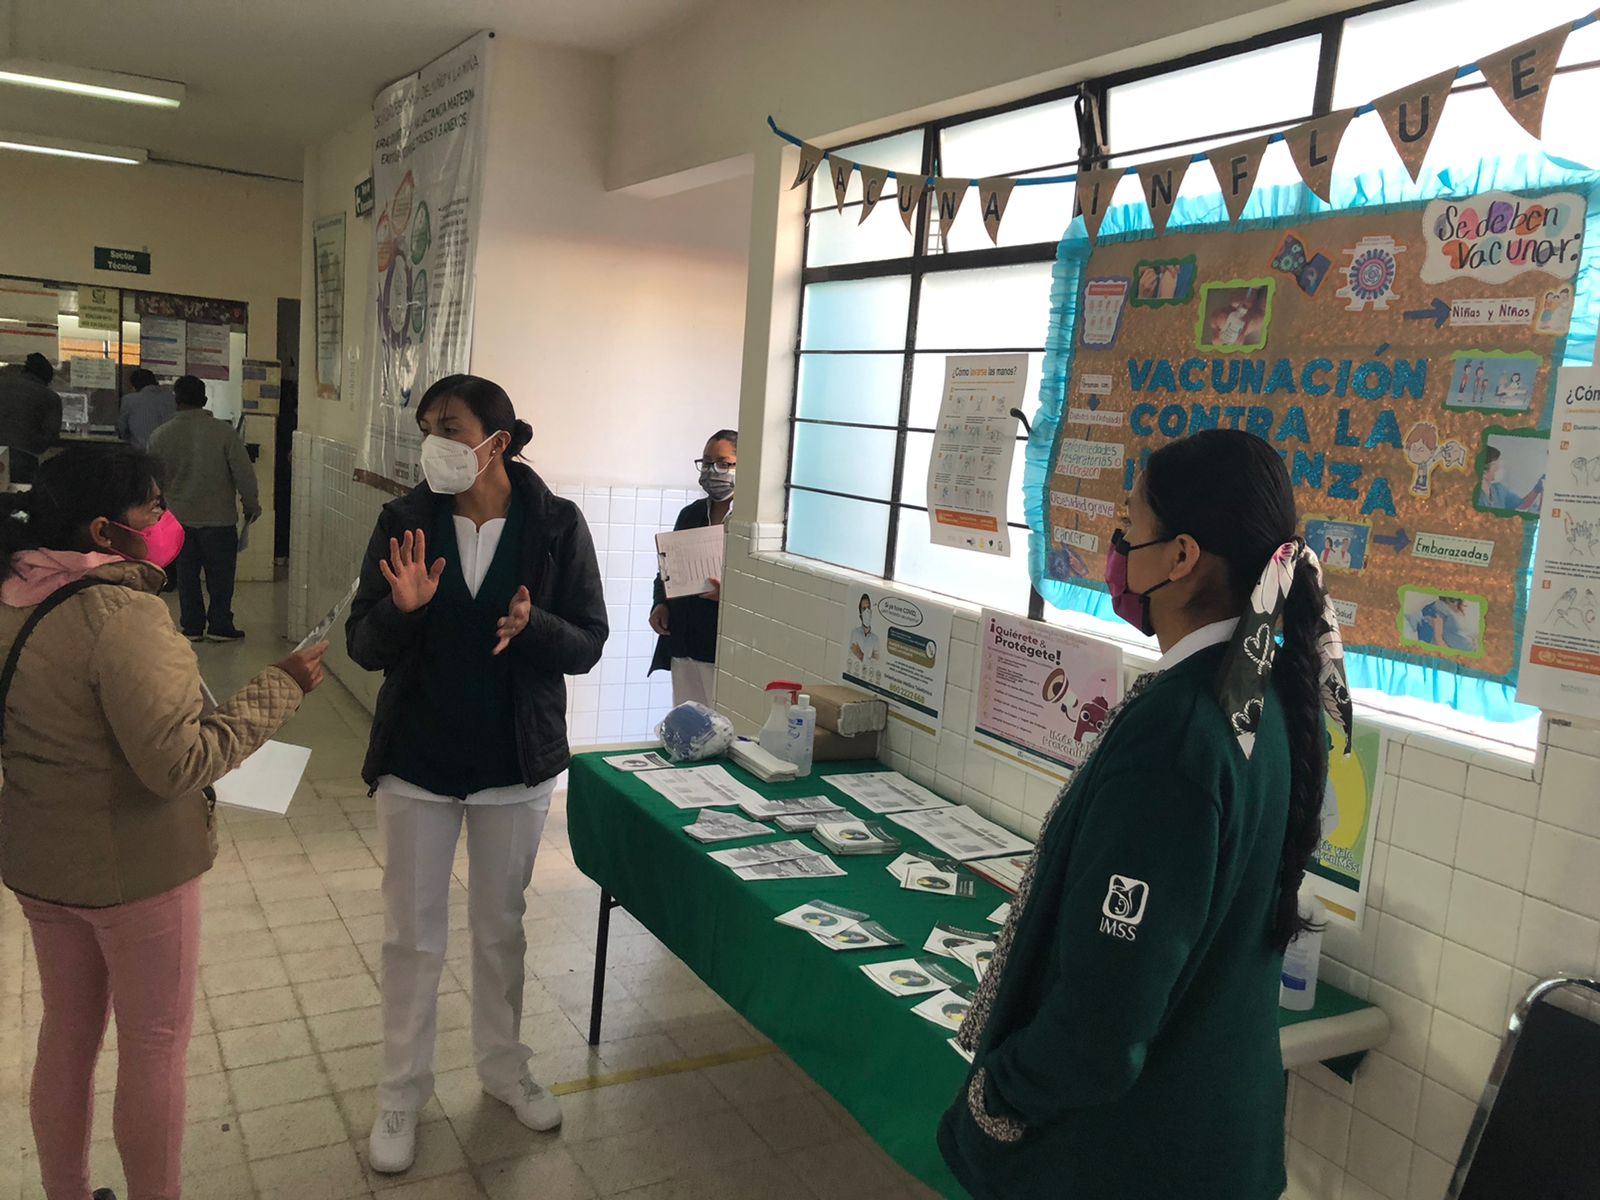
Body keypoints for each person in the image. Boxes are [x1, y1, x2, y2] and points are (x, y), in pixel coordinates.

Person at [939, 429, 1353, 1200]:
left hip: (1133, 1155)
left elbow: (1101, 1026)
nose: (1118, 545)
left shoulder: (1183, 733)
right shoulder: (1265, 697)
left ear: (1183, 557)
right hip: (1214, 1140)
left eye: (1130, 525)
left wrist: (996, 1098)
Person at [0, 445, 327, 1200]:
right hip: (135, 871)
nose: (166, 519)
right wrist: (278, 690)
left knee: (67, 1032)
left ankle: (66, 1191)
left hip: (39, 862)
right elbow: (179, 764)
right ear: (106, 532)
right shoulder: (123, 616)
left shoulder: (14, 592)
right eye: (152, 506)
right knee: (153, 1048)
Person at [346, 374, 607, 1175]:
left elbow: (589, 641)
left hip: (512, 763)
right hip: (419, 761)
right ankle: (402, 1090)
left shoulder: (556, 525)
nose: (432, 442)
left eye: (448, 426)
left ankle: (504, 1070)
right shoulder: (403, 521)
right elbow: (364, 643)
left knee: (500, 931)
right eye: (426, 425)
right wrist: (405, 609)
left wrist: (535, 627)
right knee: (410, 938)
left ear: (497, 440)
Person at [147, 375, 260, 642]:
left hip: (179, 520)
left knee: (187, 576)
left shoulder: (160, 436)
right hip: (219, 519)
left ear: (177, 400)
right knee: (221, 577)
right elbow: (244, 474)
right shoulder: (224, 433)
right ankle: (220, 624)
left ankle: (193, 626)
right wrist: (251, 505)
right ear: (205, 400)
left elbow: (153, 479)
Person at [648, 429, 736, 706]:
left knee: (721, 726)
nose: (712, 470)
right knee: (686, 724)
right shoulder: (691, 514)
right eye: (707, 462)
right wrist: (659, 604)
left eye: (723, 463)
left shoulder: (747, 522)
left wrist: (730, 596)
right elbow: (667, 571)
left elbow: (764, 587)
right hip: (683, 641)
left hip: (721, 646)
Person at [0, 353, 63, 484]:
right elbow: (51, 436)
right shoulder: (50, 398)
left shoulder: (3, 384)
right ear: (47, 378)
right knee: (18, 498)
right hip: (24, 459)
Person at [116, 368, 176, 450]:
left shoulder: (129, 400)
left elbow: (122, 429)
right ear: (155, 382)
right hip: (169, 453)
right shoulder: (172, 399)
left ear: (135, 385)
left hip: (141, 453)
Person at [1479, 446, 1542, 513]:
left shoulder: (1499, 489)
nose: (1498, 469)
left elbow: (1522, 504)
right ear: (1484, 470)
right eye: (1495, 466)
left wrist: (1537, 488)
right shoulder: (1476, 496)